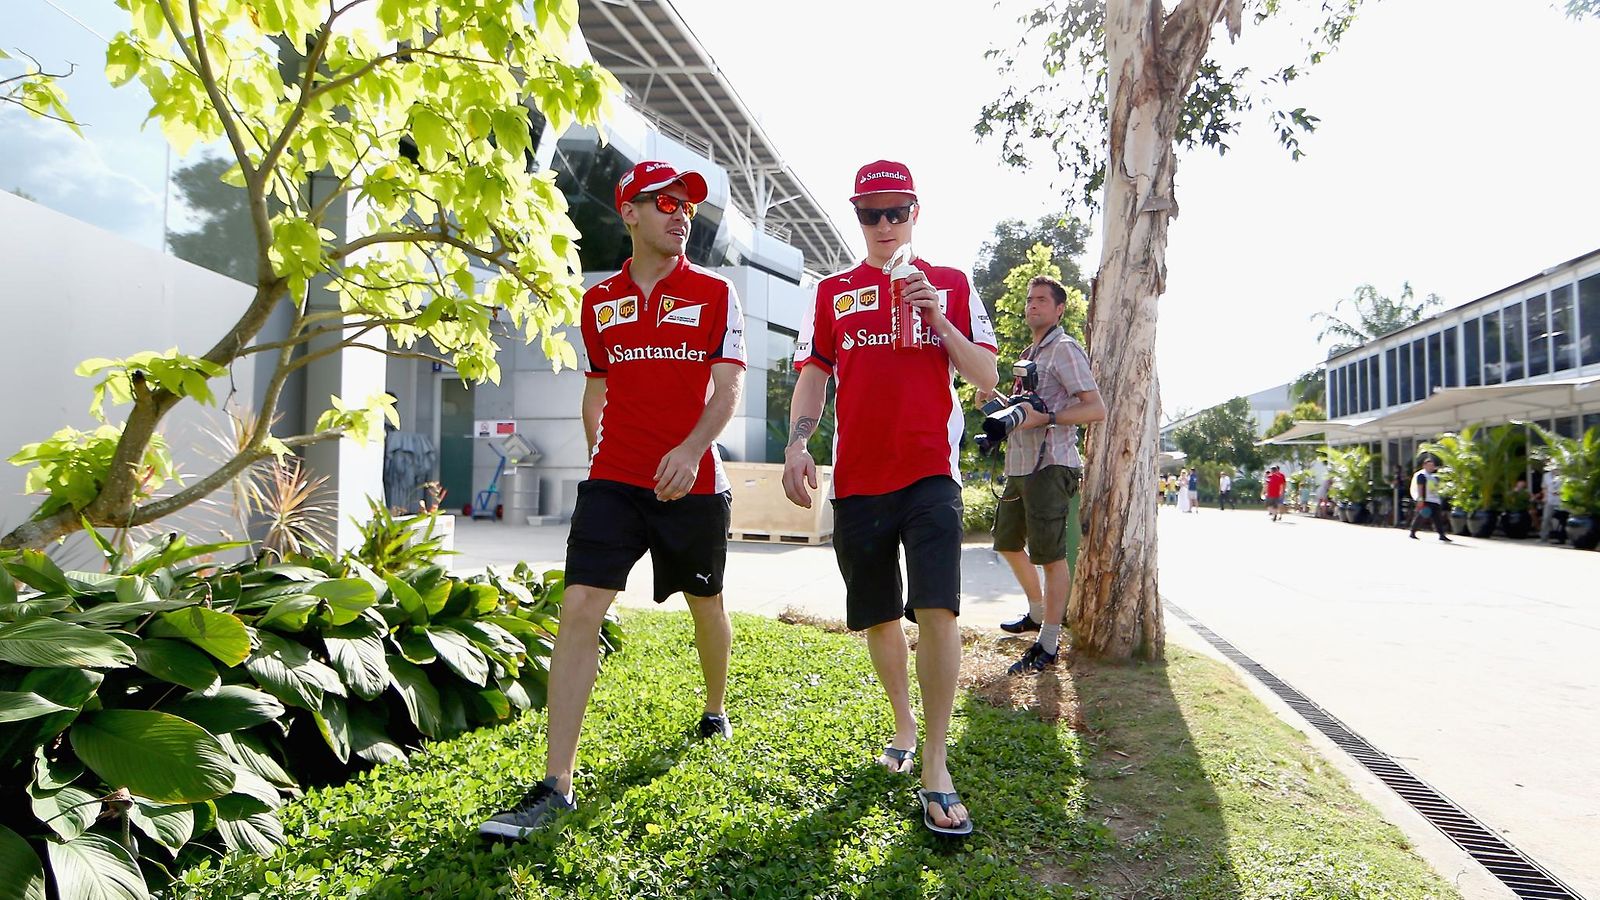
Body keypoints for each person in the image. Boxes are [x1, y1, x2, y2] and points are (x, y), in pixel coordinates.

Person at [479, 161, 747, 839]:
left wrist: (689, 452)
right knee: (579, 606)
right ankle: (555, 782)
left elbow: (726, 393)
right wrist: (601, 452)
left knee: (705, 604)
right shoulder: (598, 303)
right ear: (629, 213)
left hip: (694, 481)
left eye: (685, 204)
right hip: (615, 482)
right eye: (663, 202)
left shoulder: (718, 294)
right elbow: (596, 387)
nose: (680, 213)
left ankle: (714, 707)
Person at [782, 160, 997, 836]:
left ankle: (936, 764)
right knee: (878, 617)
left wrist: (940, 320)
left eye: (894, 211)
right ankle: (903, 722)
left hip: (931, 471)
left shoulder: (953, 284)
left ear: (914, 213)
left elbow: (987, 376)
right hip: (859, 478)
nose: (883, 225)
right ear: (858, 219)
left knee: (937, 609)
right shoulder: (832, 292)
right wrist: (797, 443)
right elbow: (814, 373)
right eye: (869, 213)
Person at [987, 276, 1106, 671]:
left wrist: (1051, 417)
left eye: (1041, 300)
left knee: (1051, 557)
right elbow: (1028, 410)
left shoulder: (1065, 349)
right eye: (1029, 299)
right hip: (1019, 466)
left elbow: (1095, 408)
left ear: (1059, 309)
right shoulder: (1030, 352)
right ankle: (1037, 612)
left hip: (1051, 465)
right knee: (1006, 542)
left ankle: (1049, 643)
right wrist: (995, 402)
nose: (1032, 305)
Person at [1408, 456, 1452, 542]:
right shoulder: (1422, 475)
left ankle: (1441, 535)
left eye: (1432, 465)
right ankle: (1413, 532)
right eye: (1429, 465)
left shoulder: (1434, 476)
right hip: (1426, 499)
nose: (1431, 467)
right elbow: (1420, 487)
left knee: (1437, 518)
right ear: (1424, 466)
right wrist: (1420, 499)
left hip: (1434, 500)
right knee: (1421, 516)